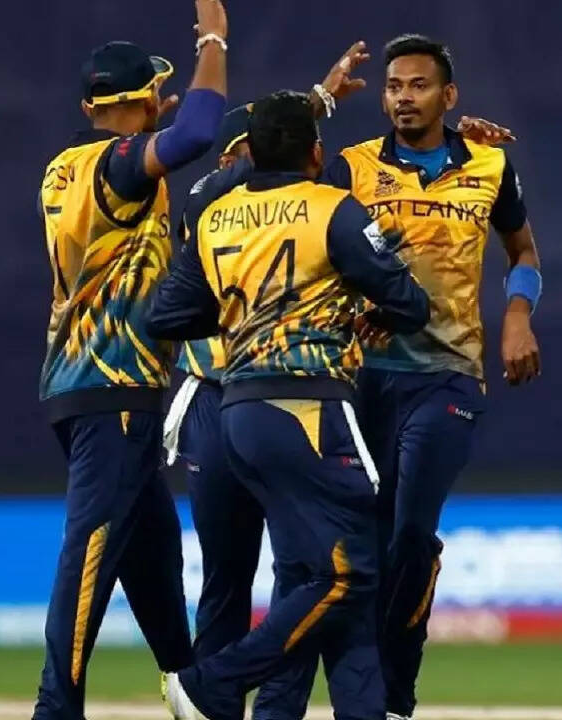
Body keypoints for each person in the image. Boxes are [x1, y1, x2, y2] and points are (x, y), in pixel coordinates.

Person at [147, 90, 430, 720]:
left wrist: (243, 312)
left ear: (249, 153)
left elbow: (166, 315)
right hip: (310, 407)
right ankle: (211, 682)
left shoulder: (217, 217)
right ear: (316, 153)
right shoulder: (333, 208)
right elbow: (410, 303)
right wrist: (362, 306)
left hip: (237, 411)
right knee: (350, 573)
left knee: (311, 573)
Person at [317, 34, 543, 720]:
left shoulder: (490, 164)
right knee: (364, 539)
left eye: (418, 86)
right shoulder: (352, 167)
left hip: (448, 374)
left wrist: (518, 315)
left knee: (412, 531)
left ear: (449, 96)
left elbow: (523, 251)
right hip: (361, 378)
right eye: (393, 87)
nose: (403, 98)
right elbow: (311, 244)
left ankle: (392, 693)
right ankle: (362, 693)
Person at [31, 2, 229, 717]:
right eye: (154, 93)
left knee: (152, 551)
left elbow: (155, 148)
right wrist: (214, 39)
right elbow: (199, 132)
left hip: (82, 384)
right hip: (113, 388)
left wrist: (148, 132)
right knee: (91, 555)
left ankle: (190, 688)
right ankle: (55, 708)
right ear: (142, 99)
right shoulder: (119, 167)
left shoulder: (66, 166)